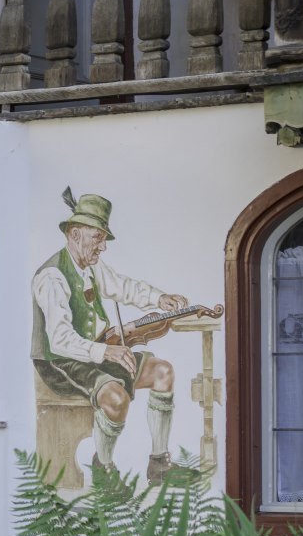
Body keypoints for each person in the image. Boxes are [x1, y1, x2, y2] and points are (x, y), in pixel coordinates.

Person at [30, 189, 188, 483]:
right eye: (98, 238)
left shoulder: (91, 267)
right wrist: (107, 352)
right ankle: (104, 470)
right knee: (116, 399)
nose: (102, 247)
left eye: (103, 239)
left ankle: (159, 466)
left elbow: (122, 286)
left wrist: (158, 298)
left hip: (98, 351)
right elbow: (60, 340)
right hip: (59, 363)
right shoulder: (51, 277)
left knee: (163, 372)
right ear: (75, 234)